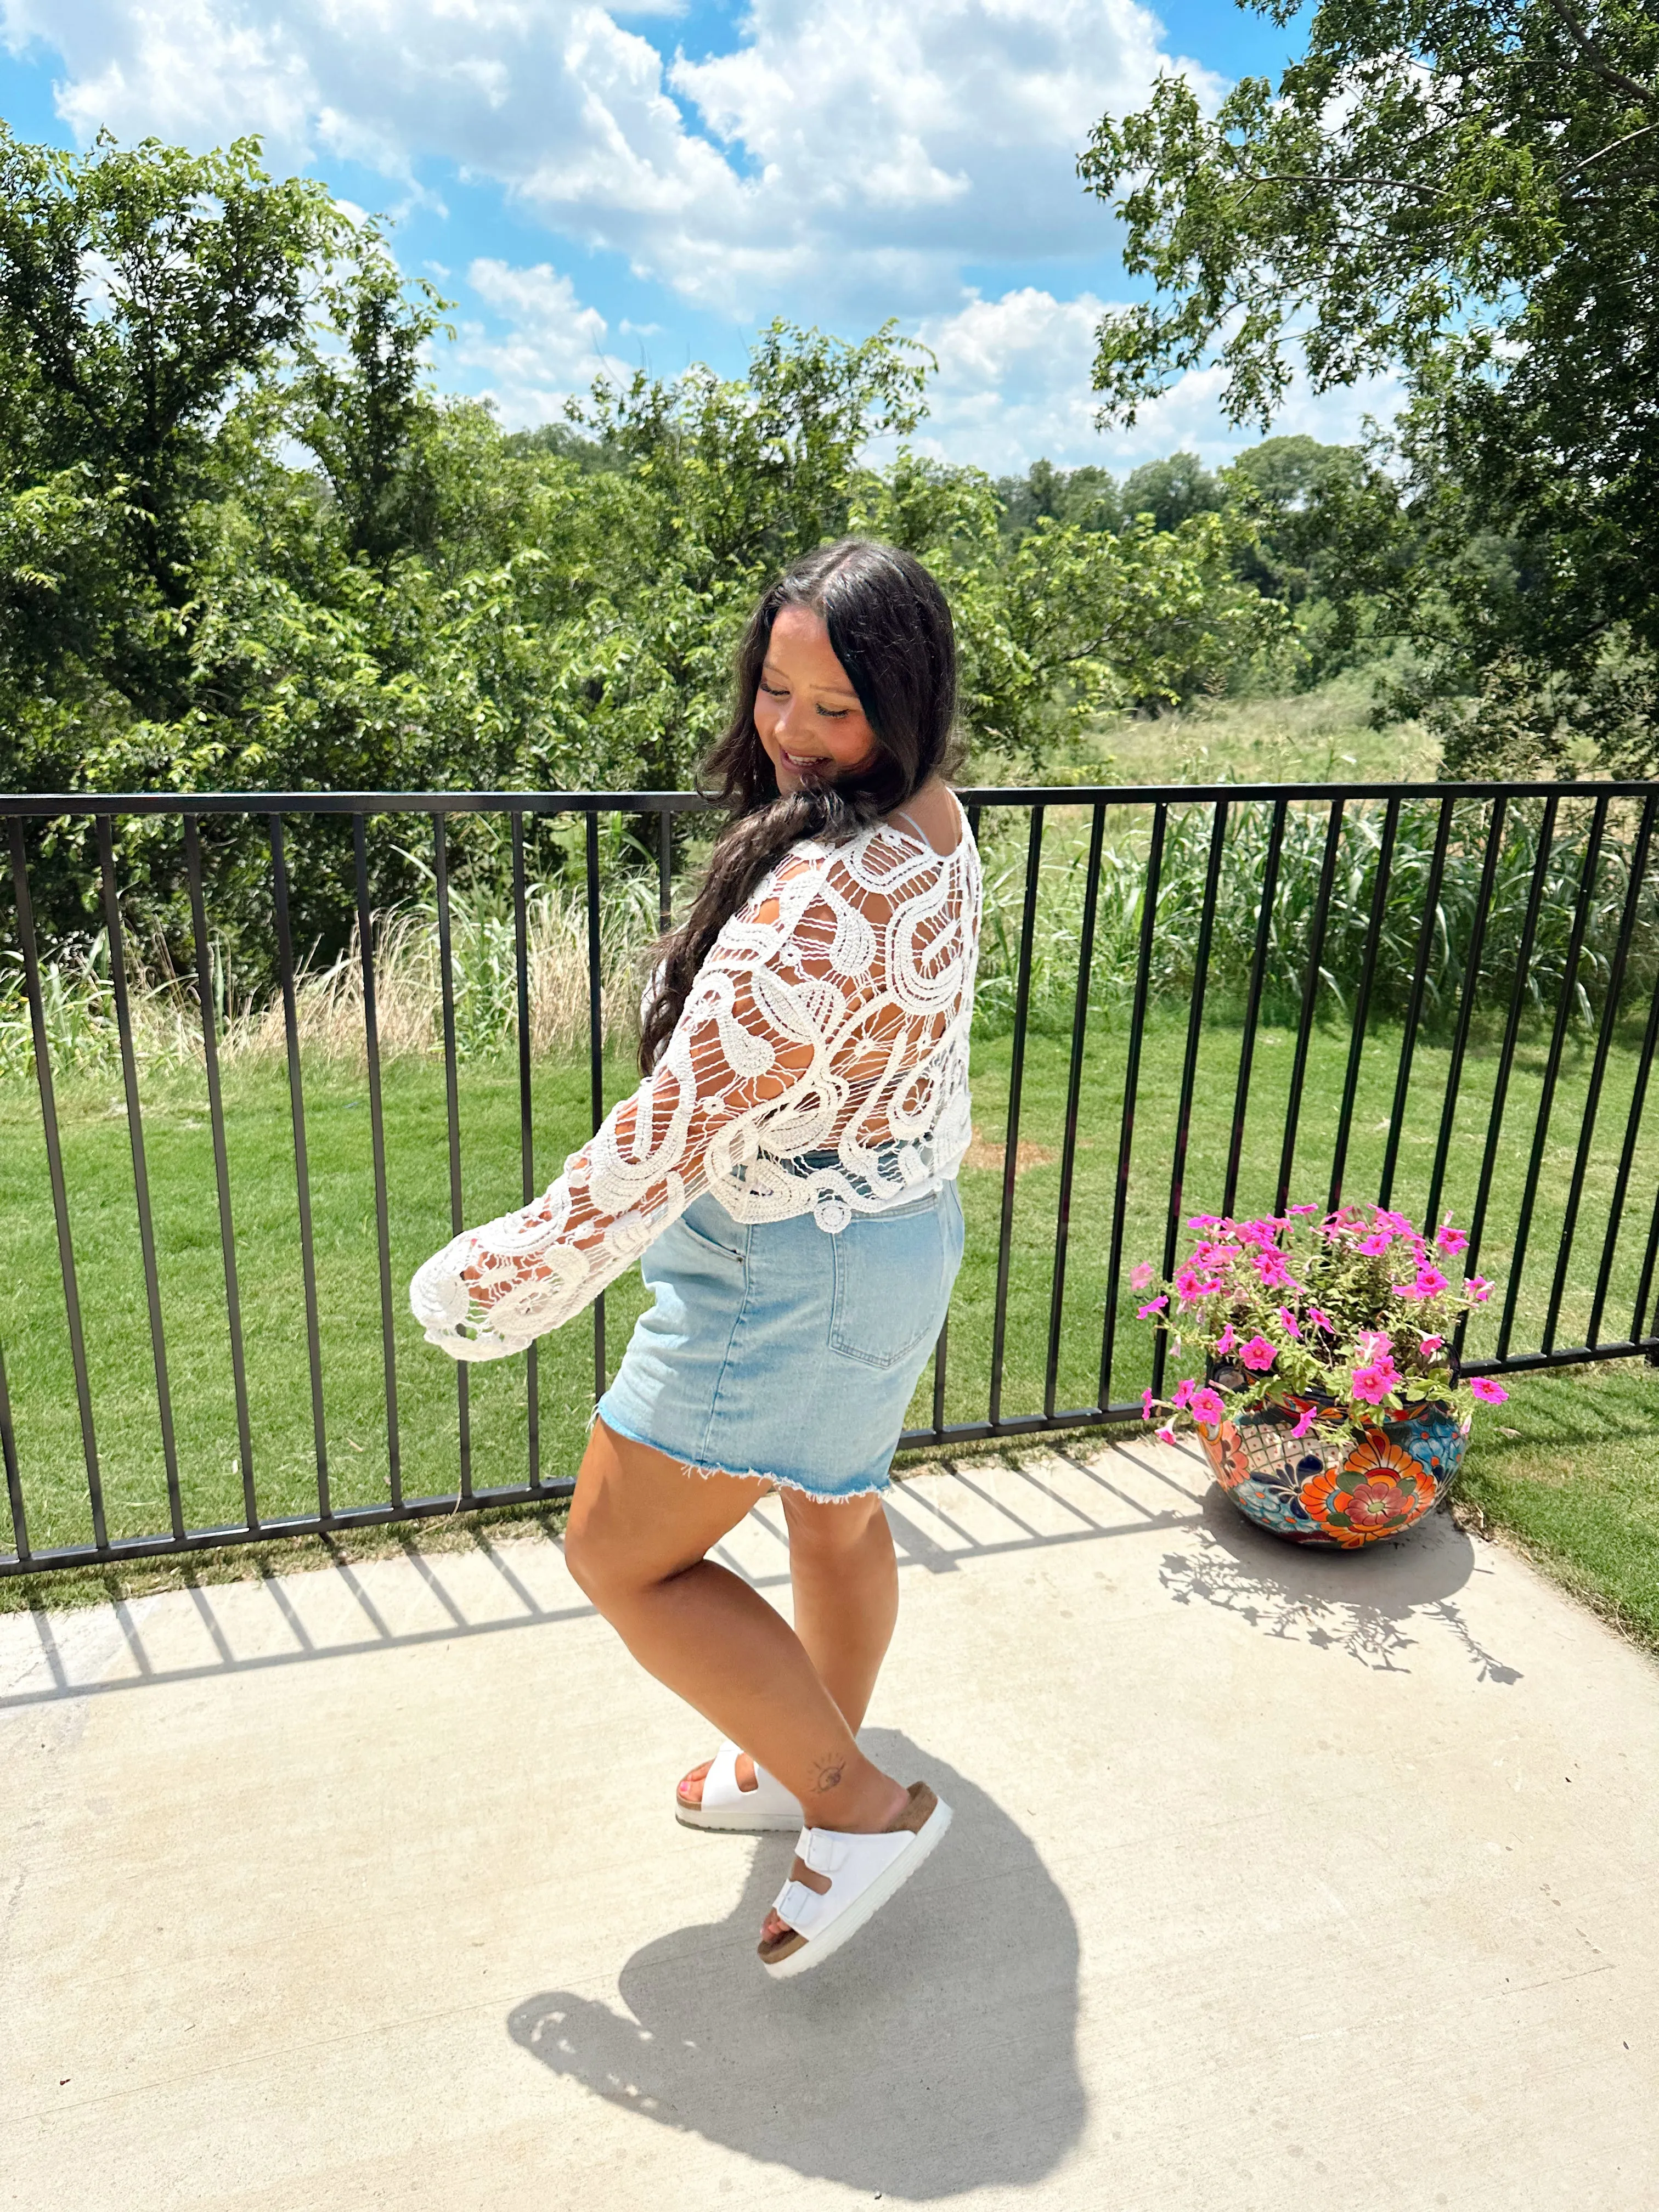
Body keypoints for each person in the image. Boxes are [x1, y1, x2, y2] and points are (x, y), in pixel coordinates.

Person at [411, 538, 981, 1978]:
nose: (791, 731)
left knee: (617, 1549)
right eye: (776, 688)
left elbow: (673, 1130)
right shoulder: (926, 818)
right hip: (892, 1237)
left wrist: (517, 1267)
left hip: (794, 1268)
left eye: (832, 708)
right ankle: (809, 1766)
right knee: (833, 1517)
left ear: (902, 702)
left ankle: (856, 1811)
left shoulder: (826, 893)